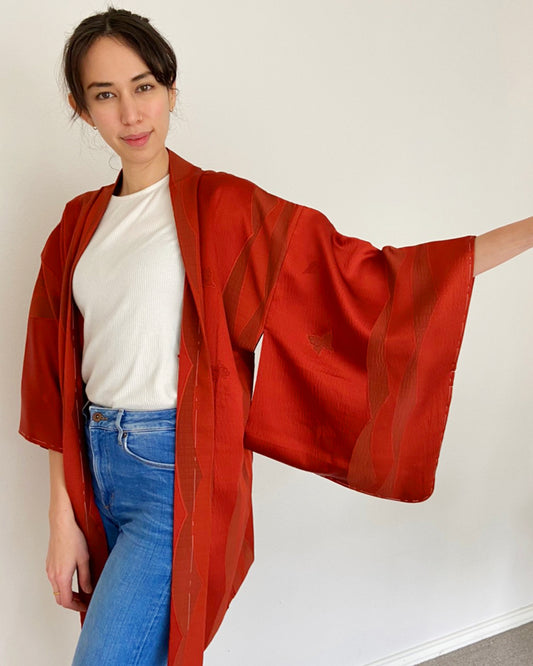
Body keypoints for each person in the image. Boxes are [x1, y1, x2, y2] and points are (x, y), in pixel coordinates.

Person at [18, 7, 533, 666]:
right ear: (81, 109)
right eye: (105, 94)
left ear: (171, 91)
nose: (130, 111)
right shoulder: (74, 227)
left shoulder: (221, 207)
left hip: (173, 469)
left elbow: (365, 277)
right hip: (95, 467)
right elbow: (53, 387)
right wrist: (61, 522)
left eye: (144, 86)